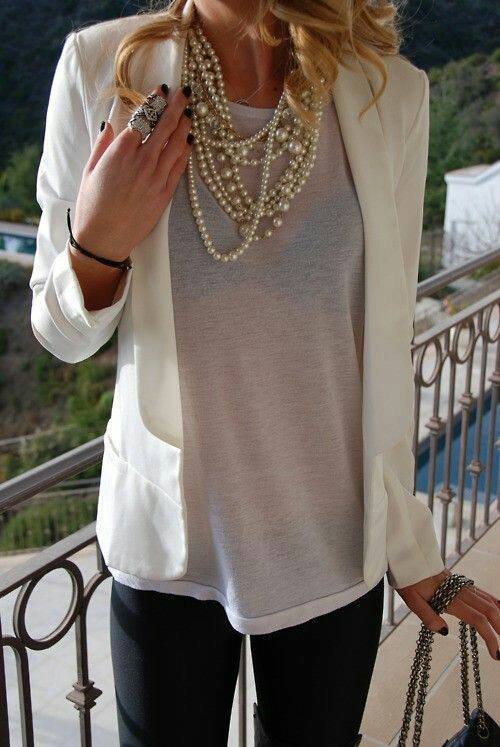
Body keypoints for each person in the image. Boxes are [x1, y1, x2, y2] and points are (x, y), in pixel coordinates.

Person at [30, 0, 500, 744]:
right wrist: (97, 242)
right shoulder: (102, 68)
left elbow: (382, 344)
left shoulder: (390, 94)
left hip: (334, 551)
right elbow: (60, 335)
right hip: (170, 549)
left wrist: (410, 546)